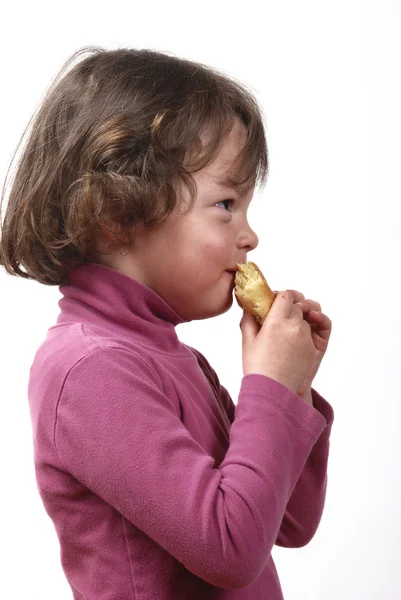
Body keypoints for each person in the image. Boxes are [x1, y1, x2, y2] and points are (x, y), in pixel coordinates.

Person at [0, 46, 334, 600]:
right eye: (226, 203)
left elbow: (289, 523)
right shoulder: (90, 370)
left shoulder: (174, 357)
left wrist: (292, 388)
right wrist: (268, 387)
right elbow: (230, 550)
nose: (249, 236)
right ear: (116, 214)